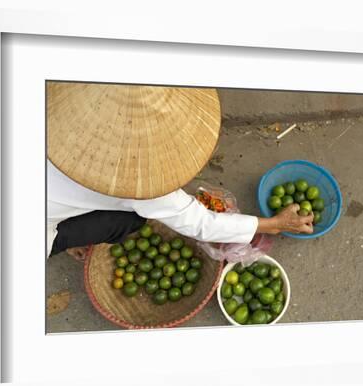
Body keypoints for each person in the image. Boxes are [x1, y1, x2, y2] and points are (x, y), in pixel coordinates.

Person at [46, 82, 313, 259]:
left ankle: (65, 224)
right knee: (131, 220)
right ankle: (63, 238)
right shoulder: (138, 183)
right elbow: (201, 223)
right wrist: (276, 224)